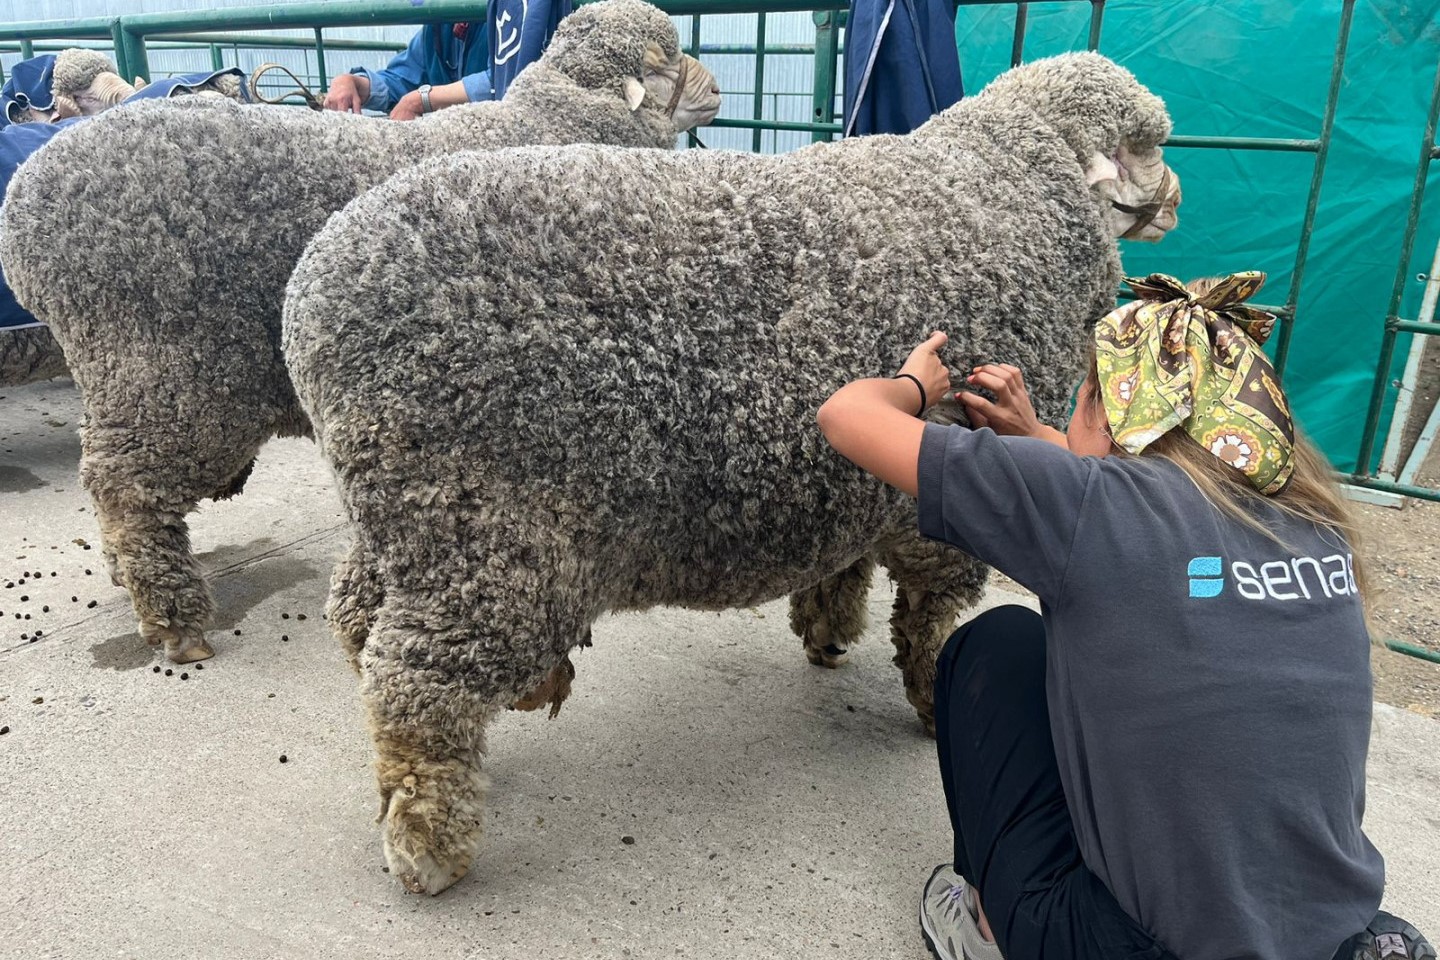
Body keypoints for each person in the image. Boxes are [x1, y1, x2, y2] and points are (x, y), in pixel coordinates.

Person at [815, 272, 1436, 960]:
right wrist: (1039, 436)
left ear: (1112, 415)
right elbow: (1149, 522)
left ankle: (988, 927)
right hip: (1327, 934)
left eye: (1081, 404)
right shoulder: (1316, 526)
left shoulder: (1091, 509)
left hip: (1134, 946)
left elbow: (847, 417)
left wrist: (914, 388)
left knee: (1000, 644)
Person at [323, 0, 572, 120]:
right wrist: (354, 82)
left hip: (500, 142)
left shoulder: (508, 12)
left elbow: (510, 79)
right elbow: (404, 76)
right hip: (454, 147)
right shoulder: (437, 27)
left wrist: (421, 100)